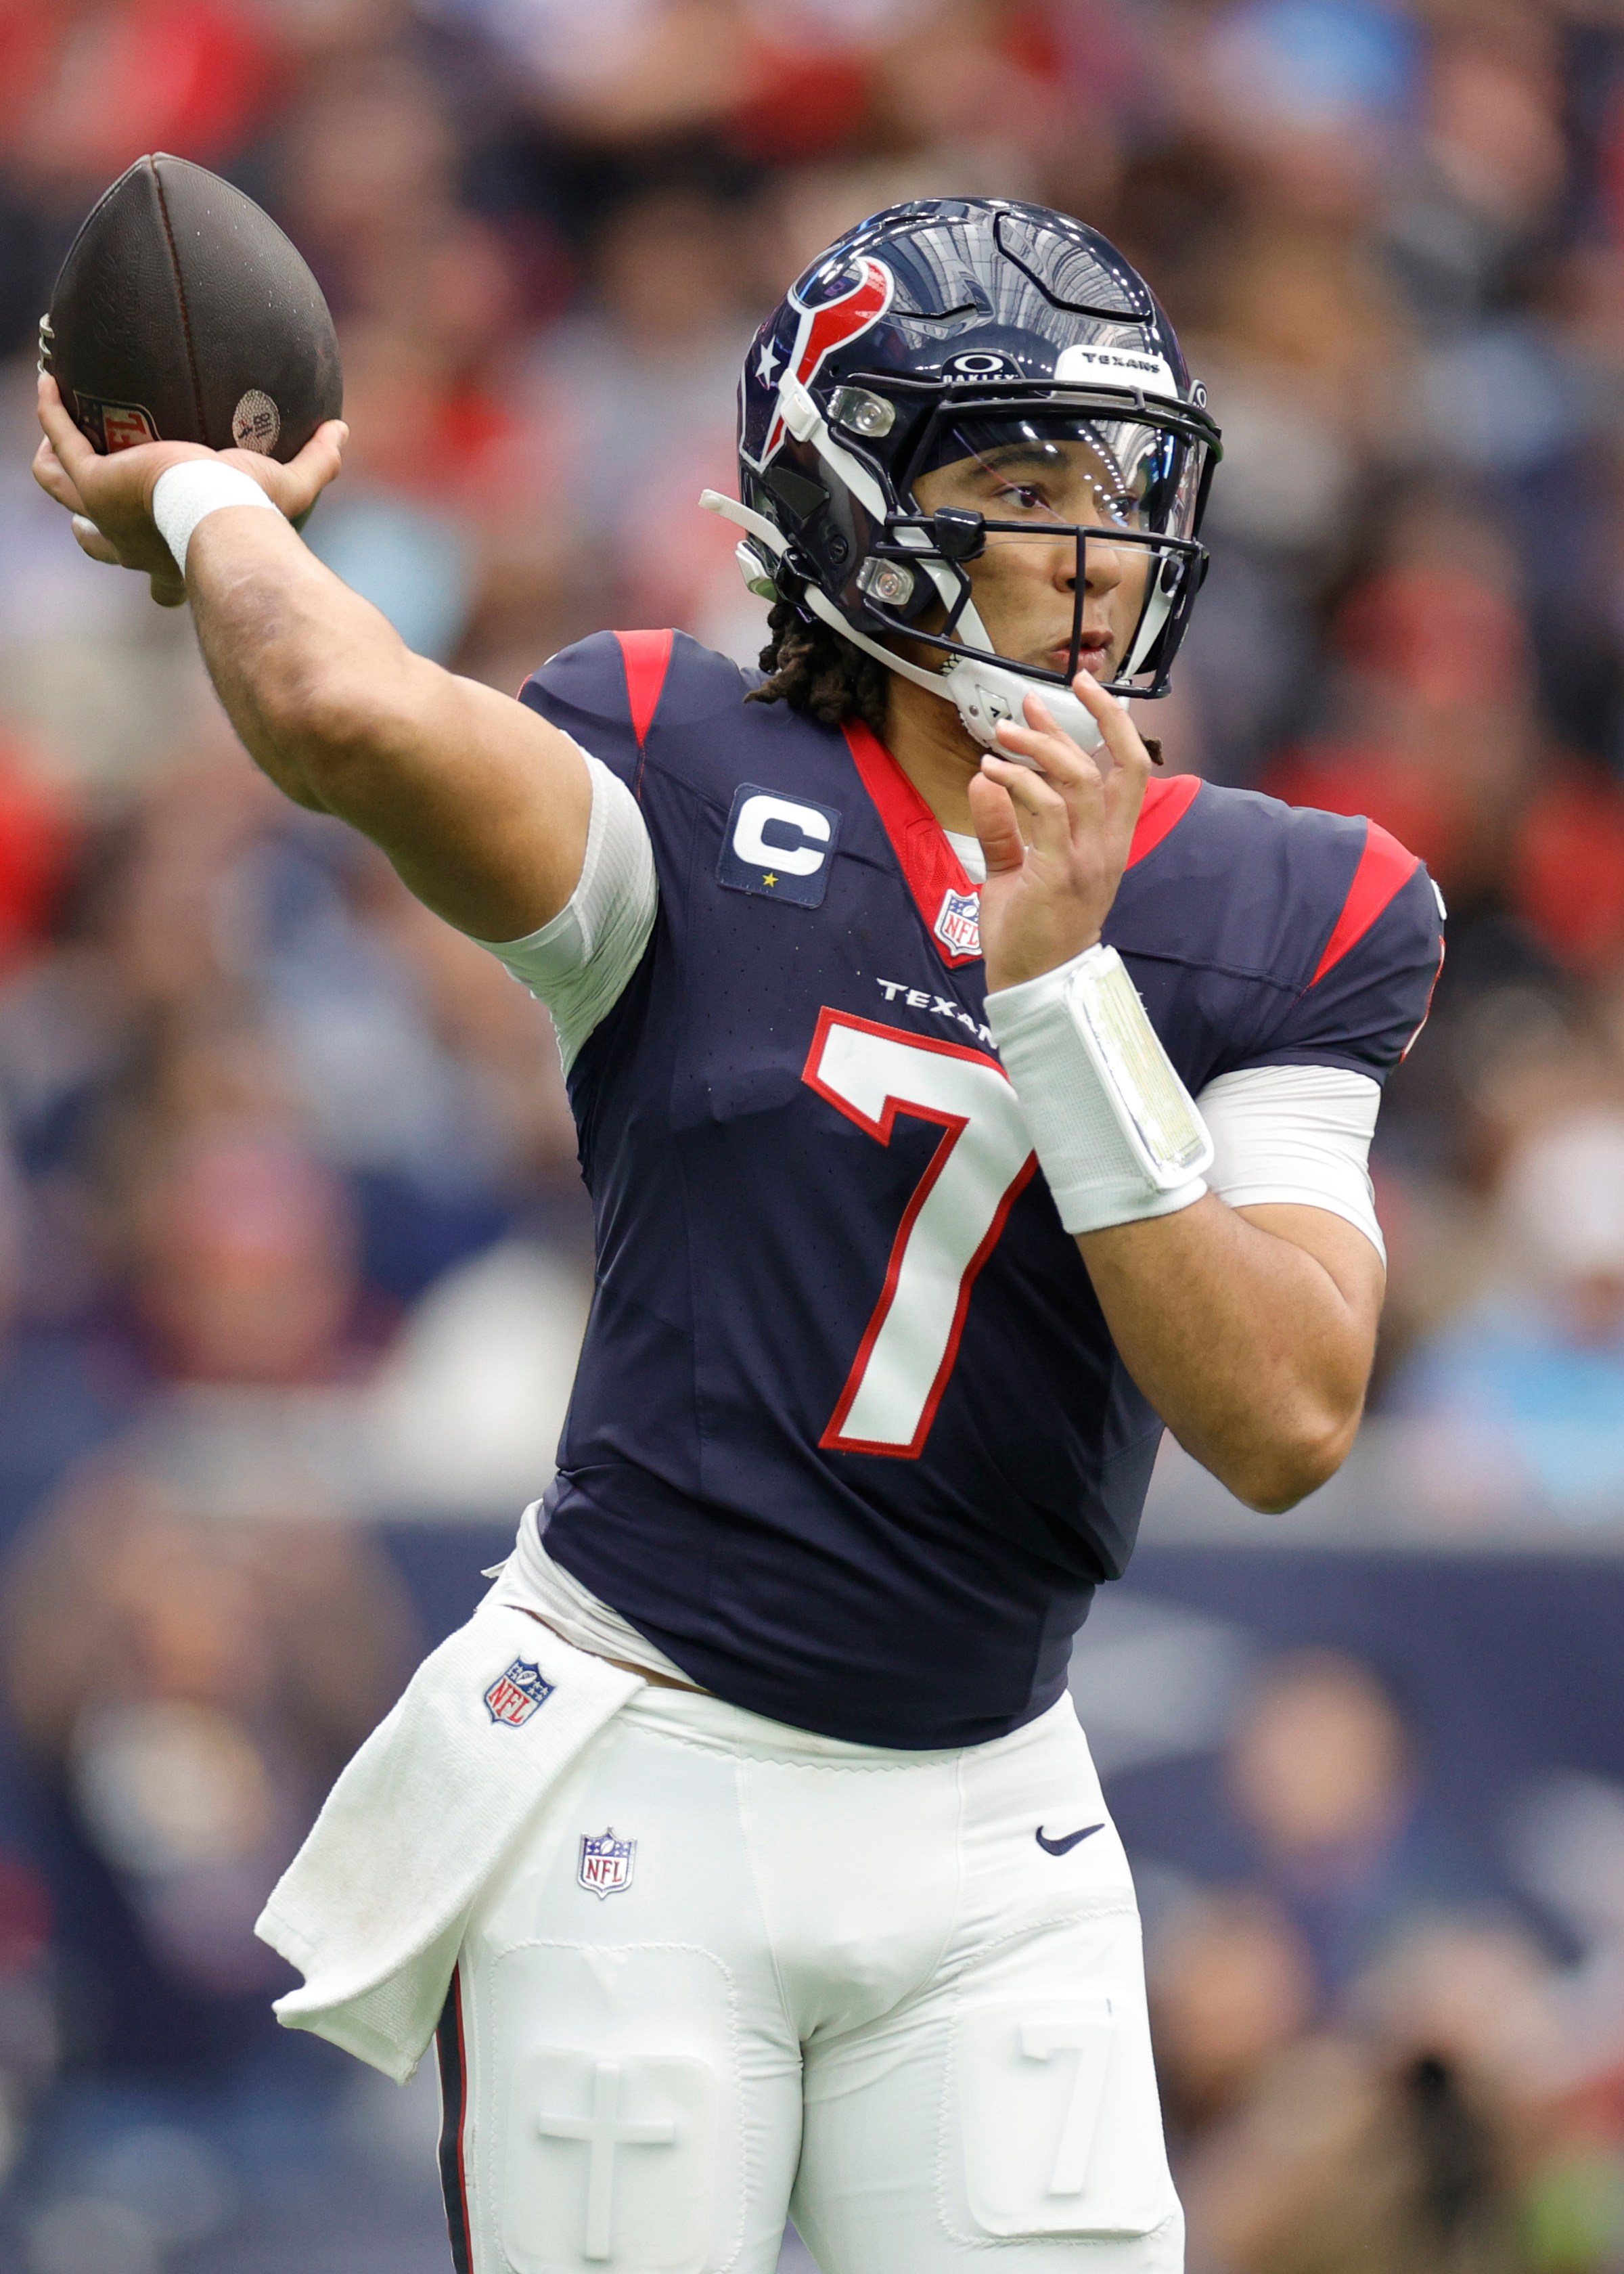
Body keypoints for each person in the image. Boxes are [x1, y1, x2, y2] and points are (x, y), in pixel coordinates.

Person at [34, 198, 1441, 2274]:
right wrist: (224, 516)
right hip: (646, 1776)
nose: (1098, 541)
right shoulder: (684, 775)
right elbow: (348, 718)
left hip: (993, 1821)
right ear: (858, 513)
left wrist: (1064, 1003)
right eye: (1021, 481)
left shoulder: (1284, 905)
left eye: (1120, 479)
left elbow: (1289, 1414)